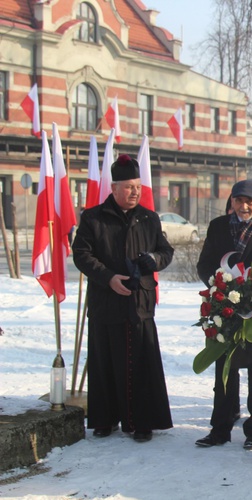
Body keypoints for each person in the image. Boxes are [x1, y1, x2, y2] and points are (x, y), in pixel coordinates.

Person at [72, 154, 174, 443]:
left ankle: (143, 422)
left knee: (142, 362)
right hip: (107, 301)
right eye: (129, 187)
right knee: (105, 362)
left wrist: (154, 259)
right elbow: (81, 254)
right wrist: (108, 278)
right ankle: (105, 419)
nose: (135, 192)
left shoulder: (149, 217)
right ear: (114, 188)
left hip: (139, 302)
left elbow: (166, 252)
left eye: (138, 187)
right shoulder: (93, 217)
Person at [194, 180, 252, 450]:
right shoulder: (218, 226)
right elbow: (205, 264)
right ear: (232, 201)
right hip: (225, 310)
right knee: (224, 370)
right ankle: (220, 429)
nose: (244, 206)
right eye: (238, 200)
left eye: (250, 201)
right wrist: (218, 287)